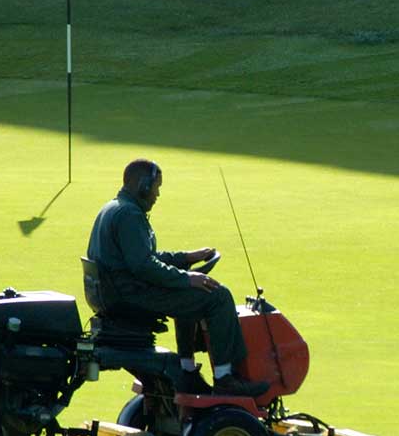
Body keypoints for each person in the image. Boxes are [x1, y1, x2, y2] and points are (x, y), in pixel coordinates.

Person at [86, 159, 266, 396]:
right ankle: (225, 378)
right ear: (143, 185)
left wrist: (186, 258)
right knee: (218, 296)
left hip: (119, 293)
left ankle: (187, 369)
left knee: (189, 296)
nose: (157, 194)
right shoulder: (129, 214)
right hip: (132, 295)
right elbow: (144, 265)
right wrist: (187, 278)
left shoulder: (114, 208)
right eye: (156, 187)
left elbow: (144, 257)